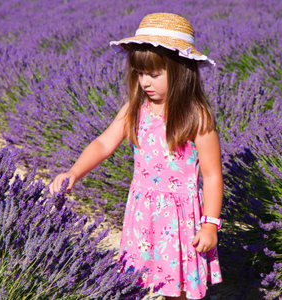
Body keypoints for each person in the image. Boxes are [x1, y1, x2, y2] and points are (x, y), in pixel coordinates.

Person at [49, 13, 223, 300]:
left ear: (180, 70)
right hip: (143, 213)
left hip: (179, 220)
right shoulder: (135, 109)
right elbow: (103, 143)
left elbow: (213, 175)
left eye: (154, 74)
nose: (145, 82)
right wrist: (73, 173)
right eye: (140, 73)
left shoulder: (196, 117)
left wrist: (209, 225)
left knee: (177, 289)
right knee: (136, 283)